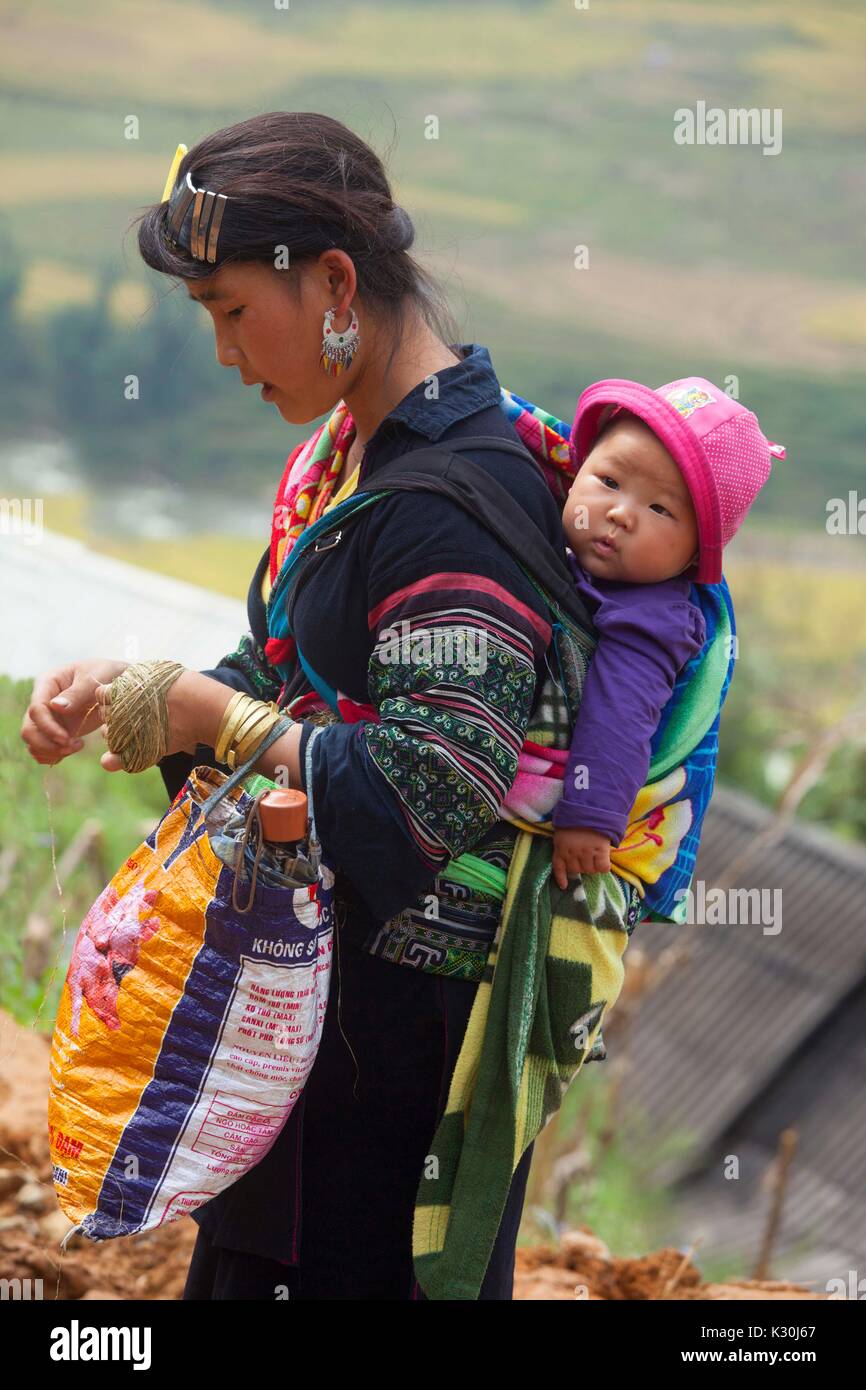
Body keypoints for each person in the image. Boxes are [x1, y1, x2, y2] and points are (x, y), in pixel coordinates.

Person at [20, 111, 568, 1299]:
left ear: (332, 282)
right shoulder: (349, 462)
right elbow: (287, 676)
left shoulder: (449, 505)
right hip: (305, 1025)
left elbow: (429, 795)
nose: (223, 350)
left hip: (393, 1064)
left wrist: (207, 713)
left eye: (229, 310)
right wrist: (139, 695)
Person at [550, 377, 784, 892]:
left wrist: (589, 815)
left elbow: (621, 714)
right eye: (608, 481)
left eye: (660, 509)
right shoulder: (540, 531)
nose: (620, 513)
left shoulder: (653, 618)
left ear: (694, 557)